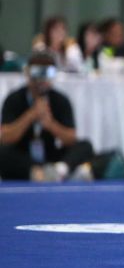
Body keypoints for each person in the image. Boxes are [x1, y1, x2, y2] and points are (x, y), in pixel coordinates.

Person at [0, 51, 94, 181]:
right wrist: (30, 116)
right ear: (28, 73)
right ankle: (36, 173)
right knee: (3, 152)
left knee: (85, 146)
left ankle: (61, 170)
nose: (41, 79)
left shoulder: (60, 100)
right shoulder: (14, 99)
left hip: (51, 157)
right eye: (37, 73)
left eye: (47, 73)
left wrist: (50, 124)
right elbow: (5, 137)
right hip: (23, 156)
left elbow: (71, 138)